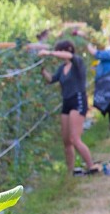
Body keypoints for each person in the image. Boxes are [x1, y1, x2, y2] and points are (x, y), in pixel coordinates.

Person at [39, 40, 99, 176]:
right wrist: (43, 71)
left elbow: (70, 56)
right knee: (66, 140)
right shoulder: (62, 68)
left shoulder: (77, 62)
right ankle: (70, 171)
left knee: (75, 138)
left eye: (60, 51)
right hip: (66, 102)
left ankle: (91, 166)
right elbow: (52, 79)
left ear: (68, 50)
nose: (57, 55)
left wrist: (48, 52)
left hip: (78, 100)